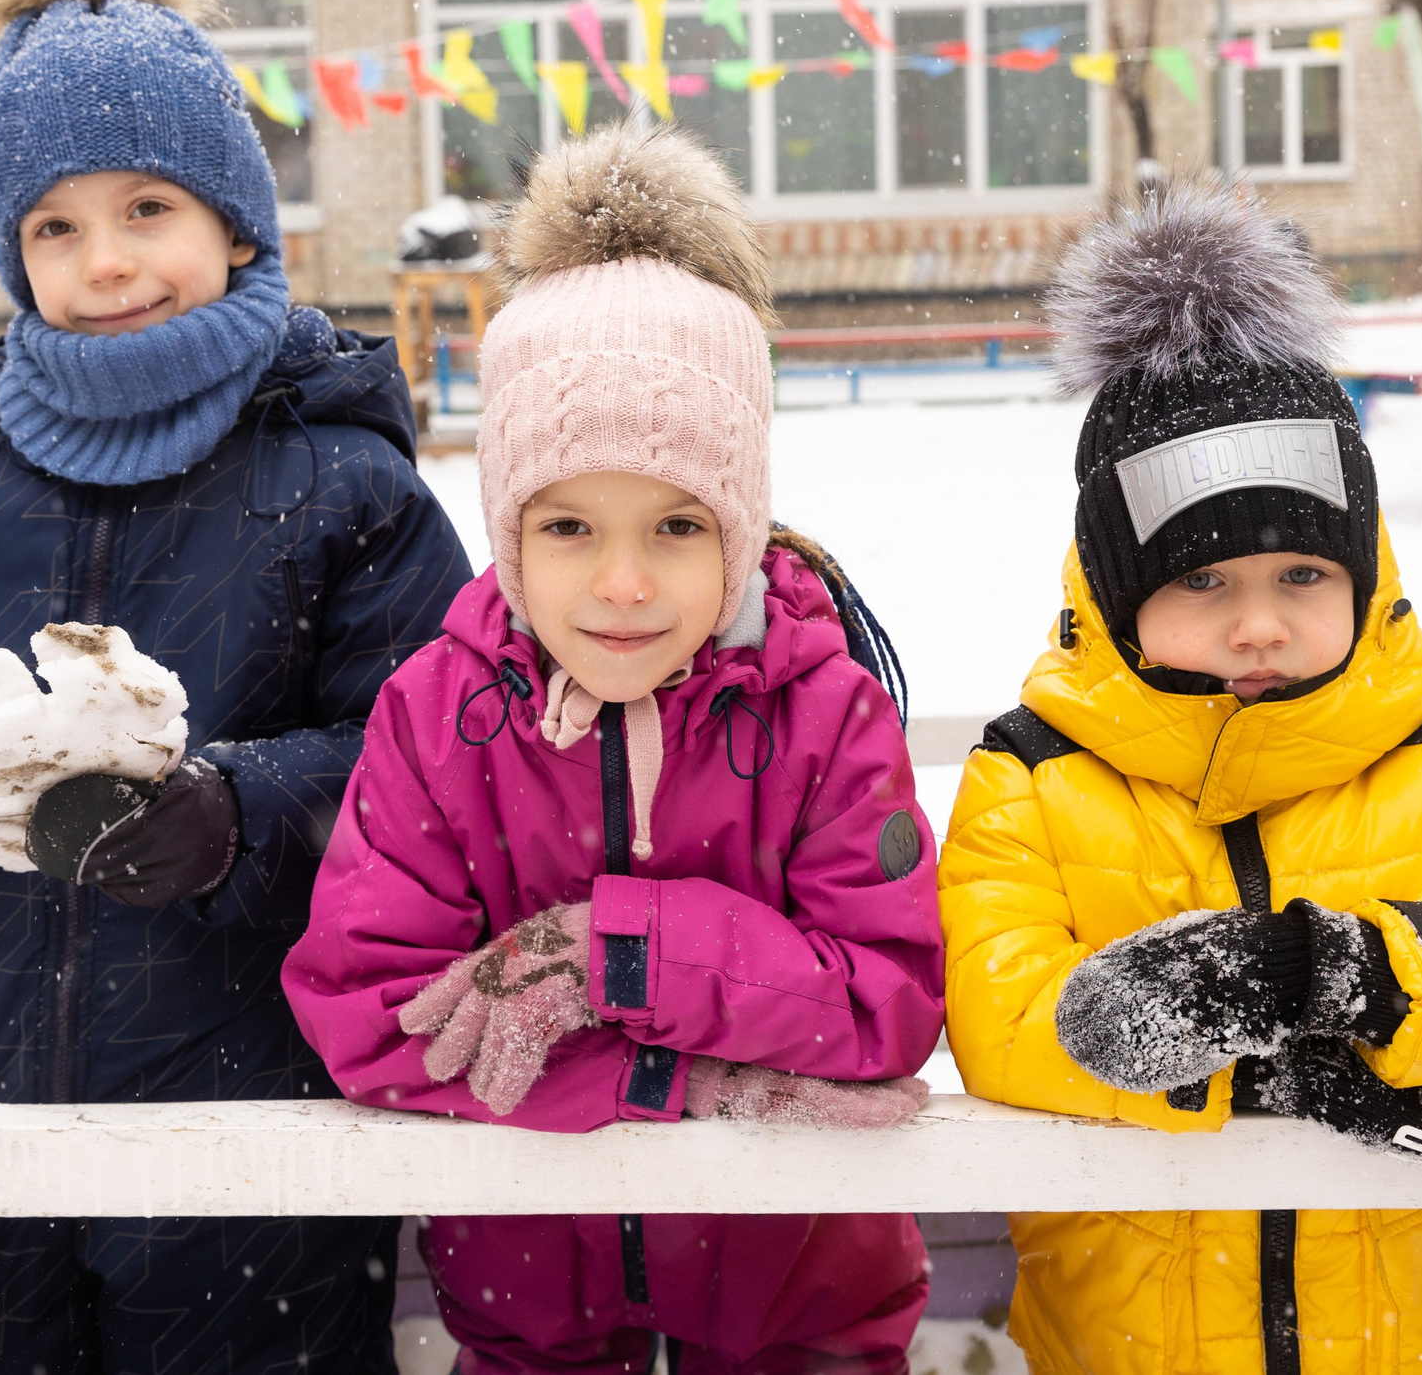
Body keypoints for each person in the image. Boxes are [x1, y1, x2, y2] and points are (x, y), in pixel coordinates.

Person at [0, 0, 474, 1375]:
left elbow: (435, 742)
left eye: (147, 209)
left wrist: (236, 810)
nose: (105, 261)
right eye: (54, 225)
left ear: (235, 221)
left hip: (249, 1108)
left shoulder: (339, 476)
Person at [938, 184, 1422, 1375]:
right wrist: (1258, 1062)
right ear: (1114, 596)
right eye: (1203, 584)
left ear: (1363, 574)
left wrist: (1350, 972)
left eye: (1301, 574)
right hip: (1129, 1346)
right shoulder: (1032, 779)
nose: (1259, 625)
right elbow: (1002, 1010)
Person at [283, 124, 945, 1375]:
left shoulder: (821, 711)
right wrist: (674, 1081)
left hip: (803, 1298)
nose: (625, 581)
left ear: (740, 530)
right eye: (572, 523)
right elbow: (369, 1014)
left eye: (679, 525)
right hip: (530, 1305)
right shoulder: (439, 718)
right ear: (508, 526)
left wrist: (614, 959)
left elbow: (888, 999)